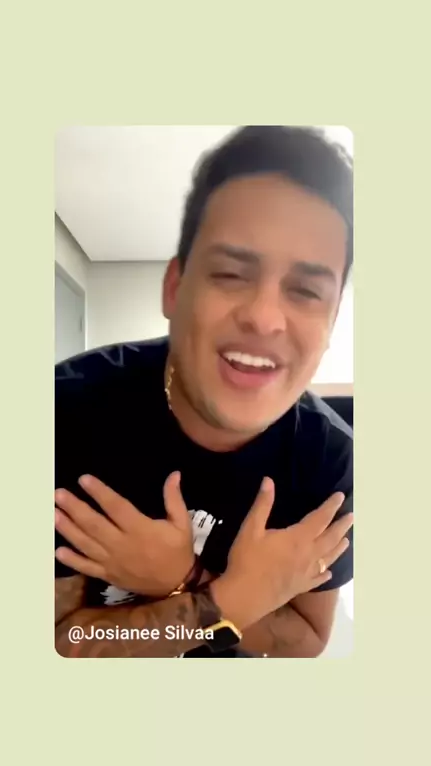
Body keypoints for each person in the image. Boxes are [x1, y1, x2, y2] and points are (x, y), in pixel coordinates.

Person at [55, 125, 354, 658]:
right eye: (231, 274)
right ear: (175, 289)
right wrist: (232, 597)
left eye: (306, 290)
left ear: (330, 324)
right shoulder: (64, 414)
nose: (264, 318)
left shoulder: (331, 462)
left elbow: (307, 640)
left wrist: (183, 576)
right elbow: (55, 644)